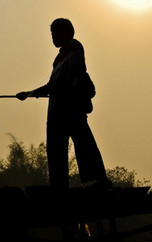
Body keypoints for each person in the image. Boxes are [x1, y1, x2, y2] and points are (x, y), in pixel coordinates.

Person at [17, 18, 112, 191]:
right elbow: (52, 86)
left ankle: (98, 181)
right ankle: (58, 185)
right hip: (56, 112)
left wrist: (73, 91)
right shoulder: (58, 59)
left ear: (67, 33)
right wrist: (29, 94)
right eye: (51, 33)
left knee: (84, 145)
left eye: (55, 32)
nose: (53, 37)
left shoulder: (74, 47)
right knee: (56, 150)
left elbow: (76, 73)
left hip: (71, 110)